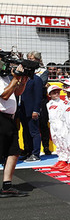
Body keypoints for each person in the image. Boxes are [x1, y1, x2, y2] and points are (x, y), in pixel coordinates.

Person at [0, 63, 29, 197]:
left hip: (9, 119)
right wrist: (15, 78)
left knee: (14, 152)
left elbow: (17, 92)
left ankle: (7, 186)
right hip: (1, 118)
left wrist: (22, 80)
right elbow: (4, 95)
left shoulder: (7, 78)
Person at [18, 64, 43, 161]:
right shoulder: (22, 79)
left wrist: (36, 110)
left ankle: (36, 154)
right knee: (26, 132)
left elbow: (38, 96)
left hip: (31, 110)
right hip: (22, 109)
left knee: (34, 132)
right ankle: (28, 151)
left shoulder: (36, 79)